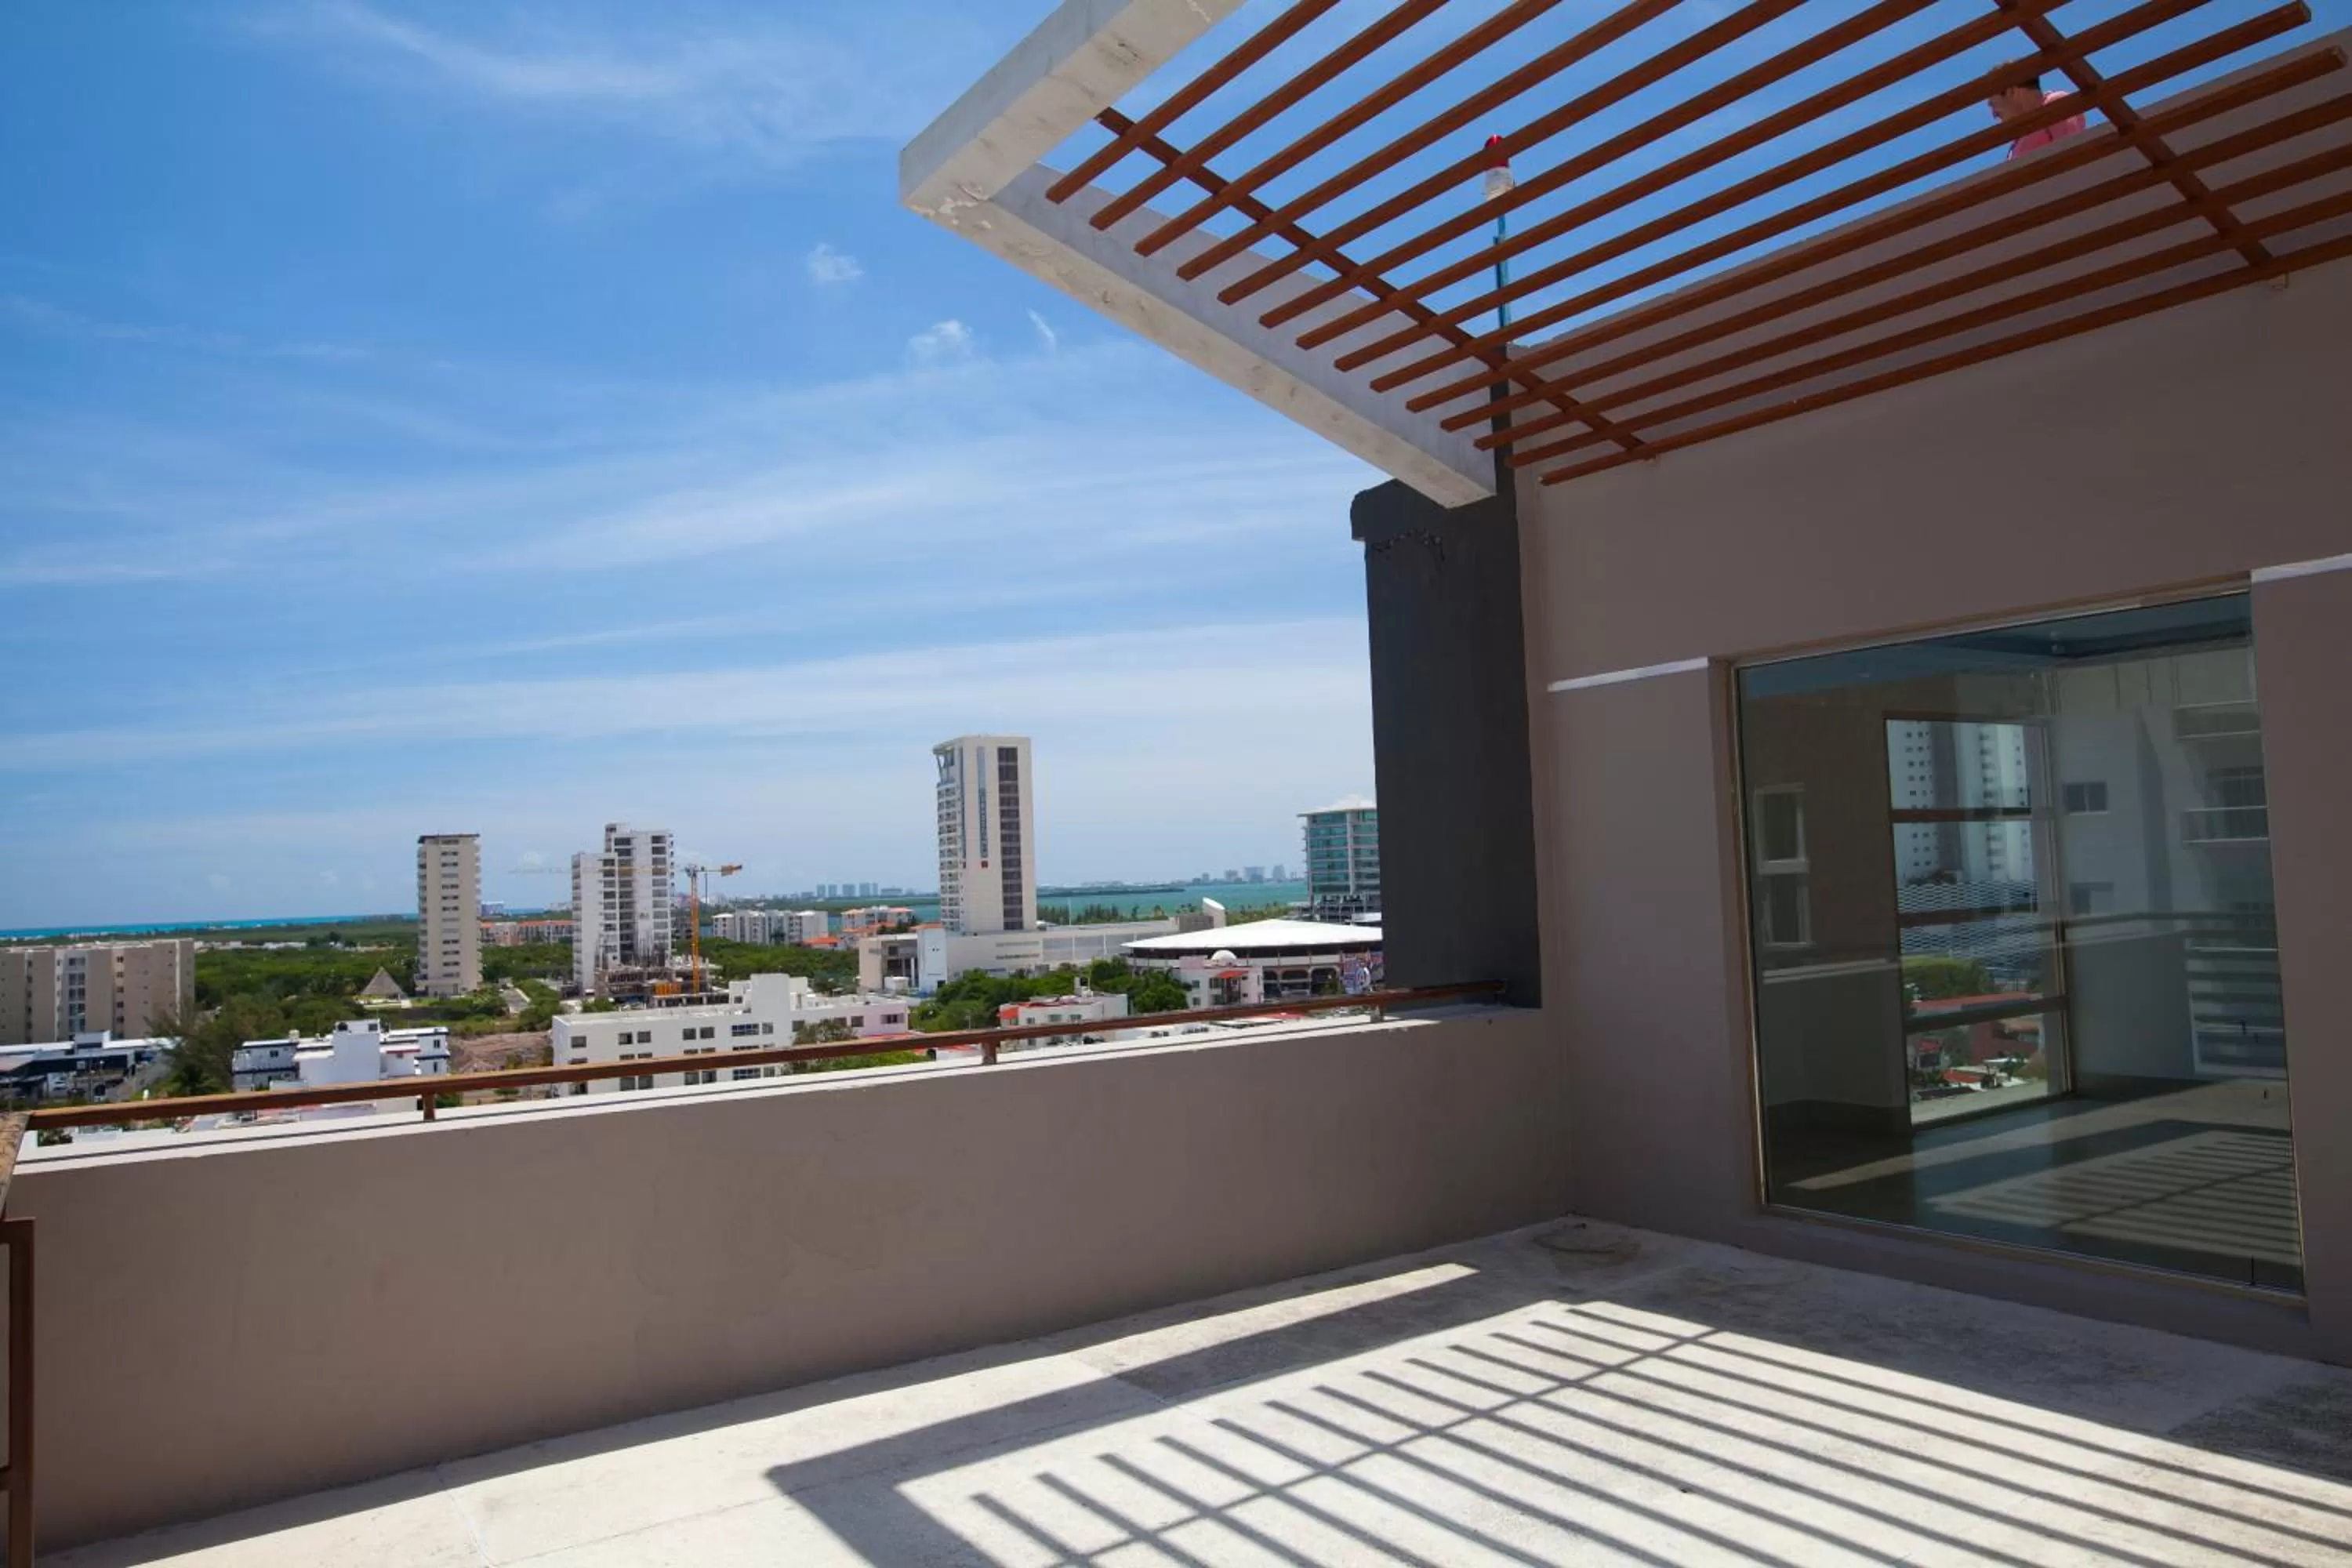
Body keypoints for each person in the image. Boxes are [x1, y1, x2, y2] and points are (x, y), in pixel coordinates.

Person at [1988, 70, 2087, 159]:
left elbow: (2071, 156)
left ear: (2011, 91)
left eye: (1992, 104)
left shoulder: (2055, 103)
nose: (1994, 114)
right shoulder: (2017, 141)